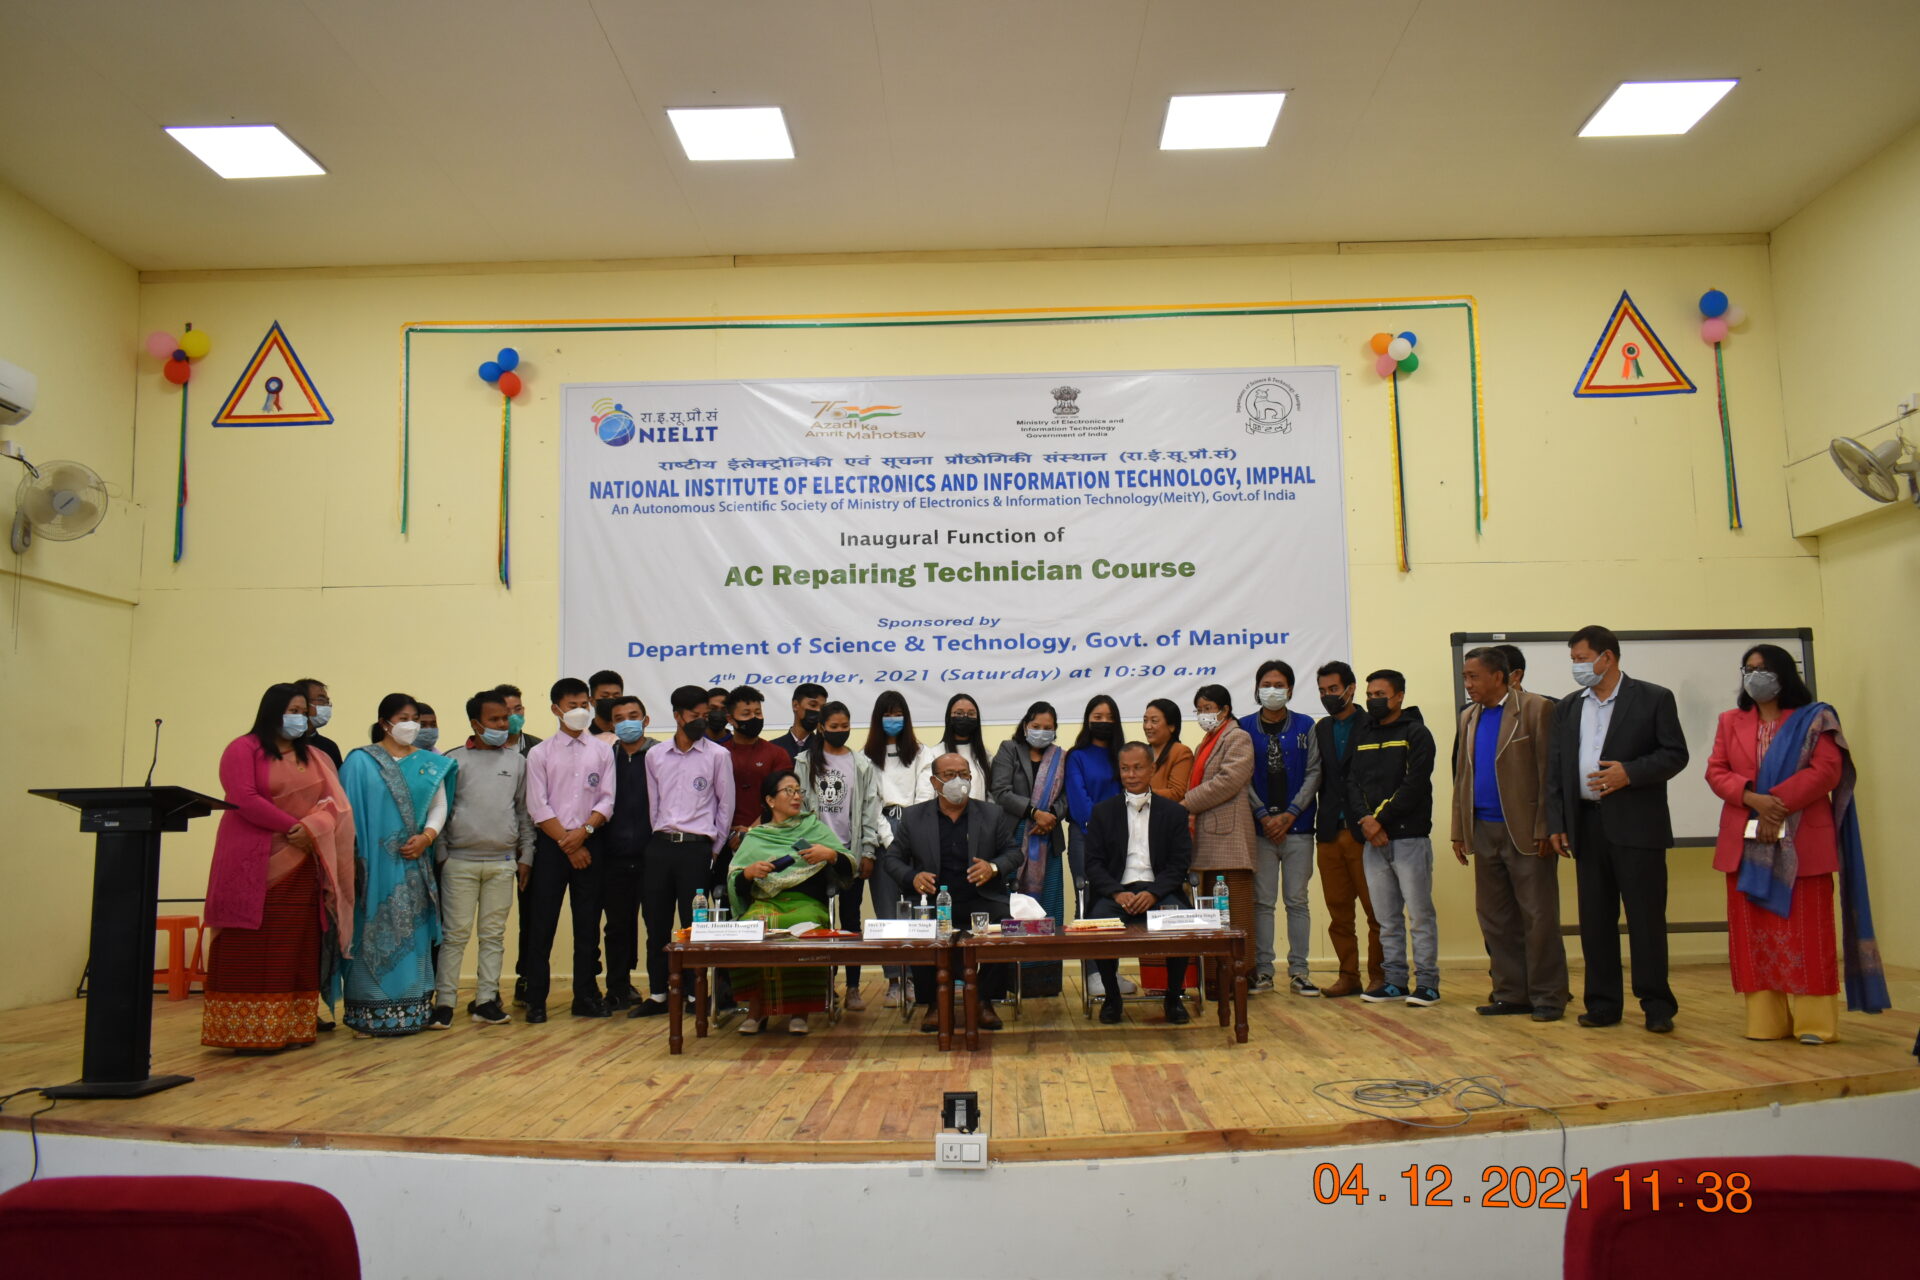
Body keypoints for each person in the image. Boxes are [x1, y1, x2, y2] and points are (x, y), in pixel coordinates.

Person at [1706, 644, 1889, 1043]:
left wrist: (1776, 805)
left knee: (1807, 933)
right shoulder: (1730, 721)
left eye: (1763, 669)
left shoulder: (1814, 719)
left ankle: (1815, 1025)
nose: (1754, 676)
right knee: (1753, 937)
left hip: (1804, 843)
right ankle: (1766, 1023)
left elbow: (1827, 771)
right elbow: (1716, 771)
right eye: (1748, 669)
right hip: (1744, 842)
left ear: (1784, 674)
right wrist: (1752, 799)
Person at [1544, 626, 1689, 1033]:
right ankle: (1603, 1004)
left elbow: (1675, 754)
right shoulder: (1569, 707)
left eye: (1581, 659)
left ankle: (1656, 1005)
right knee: (1595, 920)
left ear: (1606, 657)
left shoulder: (1653, 698)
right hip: (1587, 824)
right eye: (1573, 660)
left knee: (1645, 919)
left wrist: (1631, 773)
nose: (1576, 667)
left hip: (1638, 826)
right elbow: (1555, 770)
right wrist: (1557, 822)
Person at [202, 683, 355, 1051]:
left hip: (302, 860)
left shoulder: (315, 756)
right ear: (272, 711)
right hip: (252, 860)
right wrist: (292, 827)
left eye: (304, 711)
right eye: (293, 710)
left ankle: (291, 1028)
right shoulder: (244, 748)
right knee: (250, 941)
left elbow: (334, 804)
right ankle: (245, 1032)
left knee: (294, 942)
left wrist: (312, 828)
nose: (300, 717)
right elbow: (243, 797)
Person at [1450, 647, 1566, 1022]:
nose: (1468, 684)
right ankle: (1511, 993)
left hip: (1527, 831)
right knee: (1495, 918)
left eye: (1474, 676)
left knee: (1538, 917)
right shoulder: (1468, 716)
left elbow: (1550, 772)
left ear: (1499, 676)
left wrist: (1546, 825)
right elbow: (1462, 776)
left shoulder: (1536, 708)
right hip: (1482, 829)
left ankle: (1548, 995)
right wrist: (1458, 831)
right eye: (1465, 677)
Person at [338, 693, 457, 1036]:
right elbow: (344, 813)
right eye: (404, 718)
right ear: (384, 723)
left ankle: (412, 1011)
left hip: (412, 864)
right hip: (370, 868)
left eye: (415, 719)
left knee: (413, 932)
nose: (412, 725)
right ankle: (367, 1014)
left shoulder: (429, 763)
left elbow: (439, 806)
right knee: (368, 930)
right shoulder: (360, 762)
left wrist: (427, 838)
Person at [882, 753, 1023, 1033]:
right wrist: (913, 877)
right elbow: (892, 859)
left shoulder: (991, 814)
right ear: (934, 782)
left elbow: (1013, 853)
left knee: (1007, 925)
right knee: (920, 928)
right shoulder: (914, 817)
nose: (959, 780)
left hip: (981, 899)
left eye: (964, 774)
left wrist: (993, 867)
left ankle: (984, 1000)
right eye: (949, 775)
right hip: (935, 901)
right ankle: (934, 1004)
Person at [432, 689, 535, 1028]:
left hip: (502, 862)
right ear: (476, 724)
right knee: (455, 935)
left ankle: (486, 1000)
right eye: (495, 719)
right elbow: (441, 811)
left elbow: (523, 813)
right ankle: (444, 1002)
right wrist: (443, 856)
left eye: (505, 718)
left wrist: (526, 855)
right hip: (459, 862)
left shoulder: (518, 763)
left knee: (493, 935)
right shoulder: (453, 761)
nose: (503, 724)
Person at [726, 770, 856, 1035]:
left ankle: (800, 1010)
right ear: (770, 800)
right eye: (789, 791)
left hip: (807, 903)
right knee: (752, 927)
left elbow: (849, 865)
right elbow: (735, 880)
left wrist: (829, 854)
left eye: (798, 791)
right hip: (766, 902)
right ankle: (756, 1010)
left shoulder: (815, 828)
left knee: (800, 925)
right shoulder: (757, 836)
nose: (796, 797)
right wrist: (748, 873)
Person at [633, 685, 735, 1018]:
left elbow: (725, 806)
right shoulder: (655, 755)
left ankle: (693, 994)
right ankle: (659, 993)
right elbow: (654, 804)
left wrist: (713, 850)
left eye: (706, 715)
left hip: (697, 849)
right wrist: (659, 838)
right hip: (661, 846)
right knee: (656, 922)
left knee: (694, 926)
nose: (701, 721)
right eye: (694, 716)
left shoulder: (717, 755)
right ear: (677, 716)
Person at [522, 677, 615, 1023]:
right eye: (572, 705)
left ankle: (586, 996)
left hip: (590, 842)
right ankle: (536, 1000)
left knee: (587, 925)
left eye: (584, 704)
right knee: (541, 924)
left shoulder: (602, 751)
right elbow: (538, 805)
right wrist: (569, 843)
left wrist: (584, 832)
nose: (580, 711)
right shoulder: (540, 753)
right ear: (556, 709)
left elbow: (607, 800)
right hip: (553, 847)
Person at [1346, 670, 1440, 1008]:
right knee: (1386, 919)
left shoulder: (1417, 733)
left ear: (1399, 696)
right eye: (1370, 695)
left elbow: (1414, 784)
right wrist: (1366, 821)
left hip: (1409, 838)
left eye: (1380, 694)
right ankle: (1395, 982)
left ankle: (1427, 984)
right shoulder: (1363, 734)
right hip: (1373, 841)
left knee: (1420, 916)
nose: (1373, 700)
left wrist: (1379, 820)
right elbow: (1352, 783)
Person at [1084, 742, 1196, 1025]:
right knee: (1098, 925)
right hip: (1117, 892)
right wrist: (1117, 893)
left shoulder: (1173, 812)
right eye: (1125, 769)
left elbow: (1179, 863)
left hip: (1159, 891)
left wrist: (1154, 893)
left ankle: (1173, 997)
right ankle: (1112, 997)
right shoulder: (1102, 812)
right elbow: (1093, 864)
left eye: (1137, 768)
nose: (1131, 775)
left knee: (1180, 924)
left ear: (1152, 769)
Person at [794, 701, 884, 1008]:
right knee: (818, 921)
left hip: (849, 854)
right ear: (821, 727)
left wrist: (868, 850)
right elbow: (797, 810)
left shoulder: (861, 764)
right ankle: (824, 985)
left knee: (850, 921)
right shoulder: (804, 762)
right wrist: (805, 848)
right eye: (834, 727)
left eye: (845, 726)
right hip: (814, 855)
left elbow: (870, 809)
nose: (840, 731)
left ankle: (854, 987)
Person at [1240, 660, 1321, 997]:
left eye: (1279, 685)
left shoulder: (1306, 725)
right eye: (1266, 684)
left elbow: (1314, 772)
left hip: (1298, 828)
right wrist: (1262, 814)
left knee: (1297, 901)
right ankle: (1263, 971)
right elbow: (1241, 775)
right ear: (1257, 688)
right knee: (1262, 902)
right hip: (1260, 830)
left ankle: (1300, 971)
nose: (1272, 690)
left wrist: (1290, 813)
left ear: (1290, 689)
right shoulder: (1243, 727)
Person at [1312, 662, 1384, 998]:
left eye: (1333, 689)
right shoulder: (1322, 728)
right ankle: (1348, 975)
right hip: (1328, 830)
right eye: (1322, 691)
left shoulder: (1372, 723)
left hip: (1364, 831)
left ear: (1351, 689)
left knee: (1376, 911)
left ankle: (1379, 976)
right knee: (1338, 912)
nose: (1327, 695)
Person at [990, 701, 1071, 999]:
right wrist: (1035, 813)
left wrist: (1051, 817)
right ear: (1025, 726)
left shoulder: (1061, 757)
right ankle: (1009, 979)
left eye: (1048, 728)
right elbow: (1000, 791)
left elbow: (1067, 797)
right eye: (1036, 726)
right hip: (1013, 839)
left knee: (1049, 908)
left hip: (1048, 841)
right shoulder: (1009, 749)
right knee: (1014, 908)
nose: (1041, 732)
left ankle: (1044, 980)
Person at [1181, 684, 1257, 955]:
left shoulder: (1238, 737)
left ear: (1225, 710)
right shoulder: (1205, 742)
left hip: (1229, 841)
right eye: (1199, 710)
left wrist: (1185, 804)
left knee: (1235, 918)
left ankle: (1240, 973)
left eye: (1208, 708)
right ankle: (1213, 975)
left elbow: (1227, 781)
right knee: (1211, 920)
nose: (1203, 715)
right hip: (1207, 841)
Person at [864, 689, 924, 1007]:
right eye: (887, 714)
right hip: (882, 833)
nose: (892, 719)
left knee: (916, 908)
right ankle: (894, 981)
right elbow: (871, 803)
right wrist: (890, 840)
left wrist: (913, 835)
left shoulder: (921, 753)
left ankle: (917, 978)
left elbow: (925, 794)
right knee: (887, 910)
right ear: (878, 719)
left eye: (897, 714)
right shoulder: (866, 758)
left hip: (917, 828)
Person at [600, 696, 653, 1012]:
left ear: (646, 720)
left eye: (633, 715)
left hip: (653, 854)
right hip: (614, 855)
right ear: (611, 725)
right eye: (619, 718)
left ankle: (662, 988)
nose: (627, 722)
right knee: (617, 927)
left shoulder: (660, 755)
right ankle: (618, 988)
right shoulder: (605, 757)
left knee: (655, 925)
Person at [496, 682, 542, 1009]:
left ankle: (527, 979)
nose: (513, 717)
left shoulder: (538, 749)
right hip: (492, 847)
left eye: (518, 710)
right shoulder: (479, 750)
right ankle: (487, 989)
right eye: (505, 712)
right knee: (491, 923)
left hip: (531, 846)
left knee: (532, 917)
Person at [723, 685, 794, 858]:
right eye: (746, 714)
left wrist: (750, 831)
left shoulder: (777, 754)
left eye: (758, 713)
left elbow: (784, 799)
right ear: (730, 719)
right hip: (723, 840)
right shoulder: (718, 753)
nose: (754, 718)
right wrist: (727, 831)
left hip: (768, 838)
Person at [1065, 695, 1123, 890]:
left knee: (1116, 895)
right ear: (1088, 720)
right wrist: (1101, 828)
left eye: (1110, 717)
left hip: (1119, 835)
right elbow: (1079, 800)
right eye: (1098, 717)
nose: (1104, 722)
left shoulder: (1123, 755)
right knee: (1086, 896)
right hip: (1084, 835)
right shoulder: (1076, 755)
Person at [914, 693, 993, 801]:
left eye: (971, 714)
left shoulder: (985, 756)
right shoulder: (933, 754)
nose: (965, 717)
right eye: (959, 713)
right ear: (949, 718)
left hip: (978, 811)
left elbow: (990, 796)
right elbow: (925, 796)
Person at [1142, 698, 1193, 801]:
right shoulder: (1141, 752)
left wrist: (1141, 794)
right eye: (1145, 720)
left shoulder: (1181, 752)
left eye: (1154, 721)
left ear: (1172, 726)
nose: (1147, 726)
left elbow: (1177, 793)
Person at [292, 677, 343, 769]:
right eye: (321, 700)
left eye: (327, 701)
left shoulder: (329, 747)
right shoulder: (284, 743)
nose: (326, 706)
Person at [771, 682, 829, 758]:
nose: (818, 710)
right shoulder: (772, 748)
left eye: (822, 707)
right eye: (813, 705)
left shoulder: (826, 749)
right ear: (795, 705)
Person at [496, 684, 543, 755]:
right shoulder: (485, 748)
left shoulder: (538, 747)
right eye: (506, 710)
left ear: (523, 710)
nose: (513, 715)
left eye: (518, 709)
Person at [588, 669, 624, 738]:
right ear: (592, 701)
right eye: (605, 696)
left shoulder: (631, 737)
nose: (611, 699)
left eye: (616, 697)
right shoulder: (581, 737)